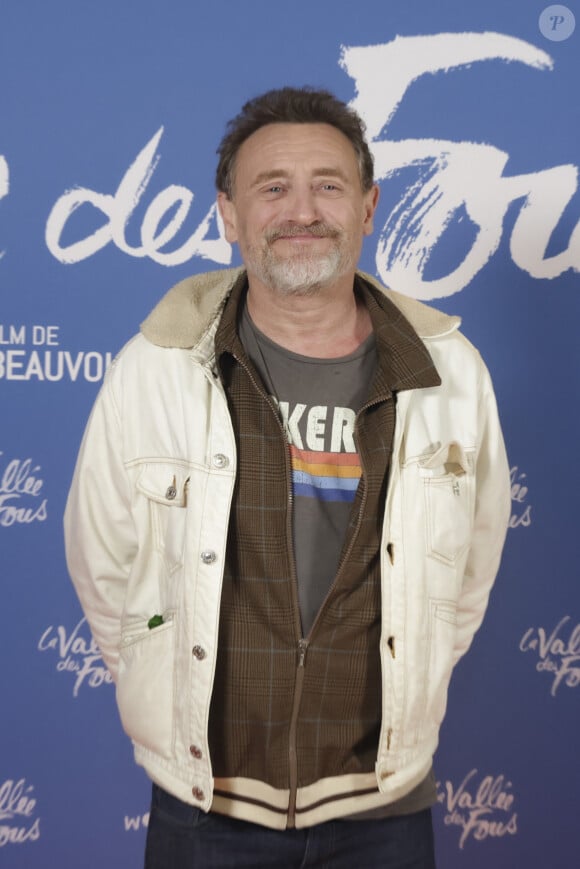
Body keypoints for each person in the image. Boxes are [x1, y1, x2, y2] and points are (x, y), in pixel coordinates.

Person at [64, 87, 511, 868]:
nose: (302, 210)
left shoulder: (453, 375)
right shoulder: (155, 370)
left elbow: (469, 569)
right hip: (207, 806)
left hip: (383, 806)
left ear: (369, 207)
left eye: (328, 185)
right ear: (230, 215)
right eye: (273, 187)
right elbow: (104, 566)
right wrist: (154, 668)